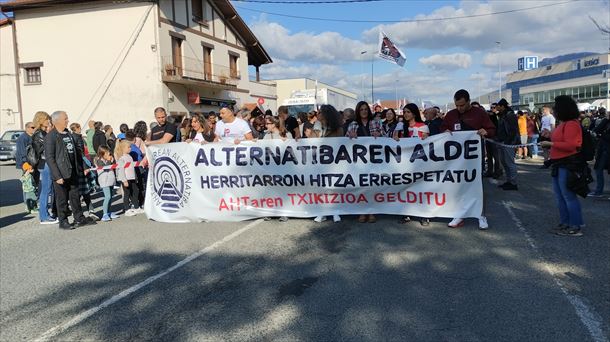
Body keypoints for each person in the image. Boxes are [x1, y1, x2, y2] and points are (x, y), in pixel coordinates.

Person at [440, 89, 496, 229]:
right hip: (456, 159)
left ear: (469, 102)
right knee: (457, 186)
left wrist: (486, 131)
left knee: (478, 186)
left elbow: (492, 129)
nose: (459, 108)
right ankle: (459, 214)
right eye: (457, 105)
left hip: (474, 158)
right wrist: (445, 131)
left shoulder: (480, 113)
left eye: (462, 105)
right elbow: (442, 128)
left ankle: (481, 215)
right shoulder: (451, 114)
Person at [539, 96, 585, 236]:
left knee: (568, 196)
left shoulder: (571, 124)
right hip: (559, 164)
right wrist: (549, 135)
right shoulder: (564, 123)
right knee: (560, 196)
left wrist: (551, 143)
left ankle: (575, 226)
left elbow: (572, 145)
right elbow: (562, 139)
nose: (554, 109)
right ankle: (566, 223)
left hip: (567, 164)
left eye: (556, 107)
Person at [45, 111, 93, 230]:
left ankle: (79, 218)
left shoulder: (68, 134)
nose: (68, 120)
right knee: (62, 199)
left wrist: (84, 167)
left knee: (75, 197)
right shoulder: (51, 137)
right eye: (65, 119)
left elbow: (76, 152)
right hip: (61, 174)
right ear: (57, 121)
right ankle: (63, 221)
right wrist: (57, 176)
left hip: (73, 171)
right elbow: (50, 158)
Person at [394, 103, 430, 226]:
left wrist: (426, 138)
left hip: (419, 162)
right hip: (404, 162)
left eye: (408, 112)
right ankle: (406, 213)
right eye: (404, 112)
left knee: (421, 188)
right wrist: (396, 137)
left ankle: (423, 214)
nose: (405, 114)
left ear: (414, 113)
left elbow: (427, 143)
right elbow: (393, 138)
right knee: (406, 187)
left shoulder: (423, 126)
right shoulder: (400, 125)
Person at [347, 101, 381, 223]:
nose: (364, 111)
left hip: (373, 160)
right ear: (358, 111)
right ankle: (362, 211)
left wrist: (379, 134)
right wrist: (350, 135)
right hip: (359, 161)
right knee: (361, 186)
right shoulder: (353, 124)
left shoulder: (375, 123)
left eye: (366, 109)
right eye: (361, 109)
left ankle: (371, 211)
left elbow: (384, 137)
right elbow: (346, 140)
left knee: (372, 186)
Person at [312, 104, 343, 223]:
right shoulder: (317, 126)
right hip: (319, 162)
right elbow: (310, 143)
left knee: (333, 187)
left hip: (333, 162)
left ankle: (335, 210)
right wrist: (315, 130)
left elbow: (341, 144)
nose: (317, 114)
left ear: (326, 114)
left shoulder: (338, 129)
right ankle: (322, 212)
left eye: (319, 113)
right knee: (321, 188)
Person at [32, 111, 57, 225]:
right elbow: (42, 150)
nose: (49, 121)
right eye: (47, 119)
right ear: (41, 120)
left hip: (46, 163)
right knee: (45, 190)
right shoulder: (39, 134)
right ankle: (44, 216)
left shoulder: (42, 132)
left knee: (47, 189)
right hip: (44, 163)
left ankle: (46, 214)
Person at [495, 99, 520, 191]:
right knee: (505, 162)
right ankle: (509, 181)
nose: (496, 108)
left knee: (510, 163)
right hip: (503, 142)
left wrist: (508, 141)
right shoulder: (503, 115)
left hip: (508, 143)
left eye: (498, 106)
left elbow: (513, 130)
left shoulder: (510, 115)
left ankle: (513, 183)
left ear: (502, 106)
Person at [116, 140, 143, 217]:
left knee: (135, 192)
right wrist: (124, 180)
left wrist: (135, 177)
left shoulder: (130, 157)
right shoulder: (121, 158)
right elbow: (121, 170)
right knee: (127, 194)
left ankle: (136, 207)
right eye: (128, 147)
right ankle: (127, 209)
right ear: (123, 148)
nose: (130, 148)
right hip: (126, 179)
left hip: (132, 178)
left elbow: (132, 168)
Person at [94, 145, 120, 222]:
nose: (108, 154)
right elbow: (105, 168)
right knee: (107, 196)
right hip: (104, 181)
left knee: (111, 196)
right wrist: (109, 161)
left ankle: (108, 212)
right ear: (102, 153)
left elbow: (113, 165)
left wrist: (112, 160)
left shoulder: (108, 159)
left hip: (110, 179)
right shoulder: (98, 160)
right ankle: (104, 214)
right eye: (106, 153)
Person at [588, 107, 609, 197]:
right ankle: (598, 191)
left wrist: (602, 135)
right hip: (604, 148)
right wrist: (606, 119)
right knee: (598, 169)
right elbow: (596, 130)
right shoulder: (606, 121)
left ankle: (598, 191)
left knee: (599, 169)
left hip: (606, 149)